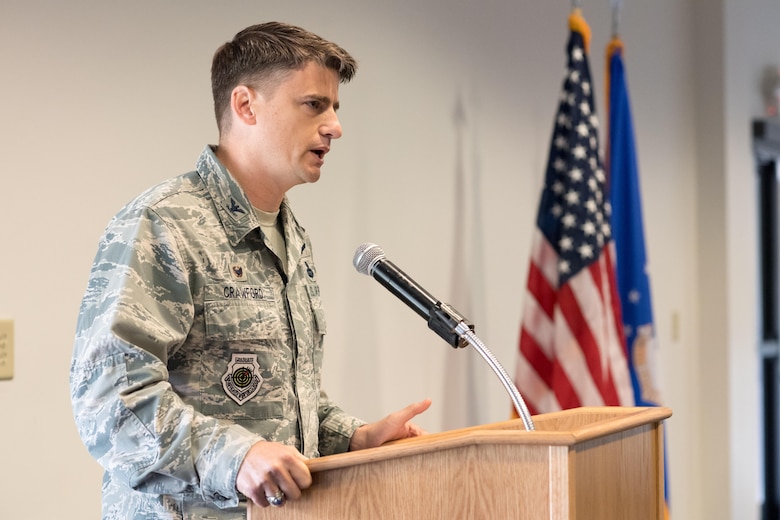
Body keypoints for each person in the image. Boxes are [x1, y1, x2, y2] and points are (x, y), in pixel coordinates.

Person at [69, 21, 431, 520]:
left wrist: (354, 436)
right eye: (314, 105)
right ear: (245, 106)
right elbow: (110, 401)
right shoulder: (162, 225)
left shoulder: (291, 236)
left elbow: (279, 396)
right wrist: (235, 456)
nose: (334, 126)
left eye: (335, 108)